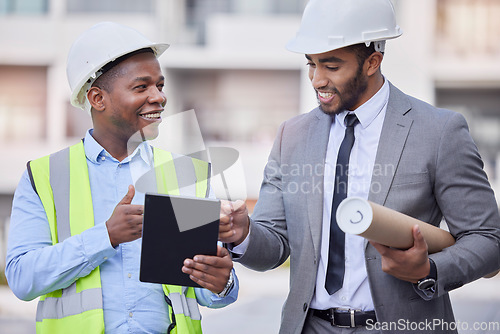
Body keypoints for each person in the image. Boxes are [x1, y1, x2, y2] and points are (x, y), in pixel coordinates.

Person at [219, 0, 500, 333]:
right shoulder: (291, 136)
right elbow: (275, 246)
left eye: (332, 66)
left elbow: (488, 240)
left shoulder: (438, 132)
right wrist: (244, 233)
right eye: (311, 64)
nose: (317, 80)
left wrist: (429, 269)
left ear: (373, 62)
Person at [6, 22, 238, 334]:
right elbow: (22, 278)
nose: (159, 97)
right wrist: (106, 237)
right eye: (141, 87)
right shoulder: (45, 177)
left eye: (160, 85)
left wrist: (221, 284)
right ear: (97, 99)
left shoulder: (187, 175)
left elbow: (202, 289)